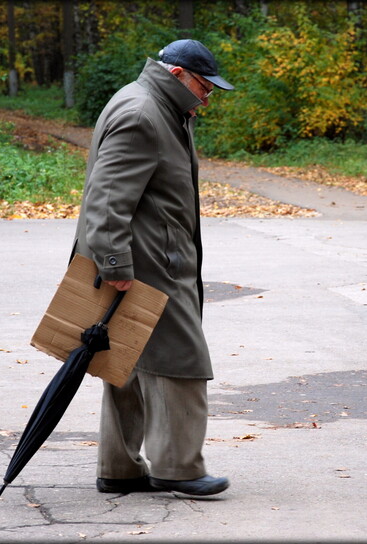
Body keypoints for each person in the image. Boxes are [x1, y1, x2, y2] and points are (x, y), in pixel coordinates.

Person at [71, 39, 234, 497]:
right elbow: (105, 198)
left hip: (149, 258)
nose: (207, 97)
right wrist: (115, 263)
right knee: (182, 362)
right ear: (178, 74)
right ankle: (179, 468)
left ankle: (119, 469)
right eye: (205, 87)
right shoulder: (144, 112)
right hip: (149, 265)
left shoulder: (153, 104)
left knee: (125, 364)